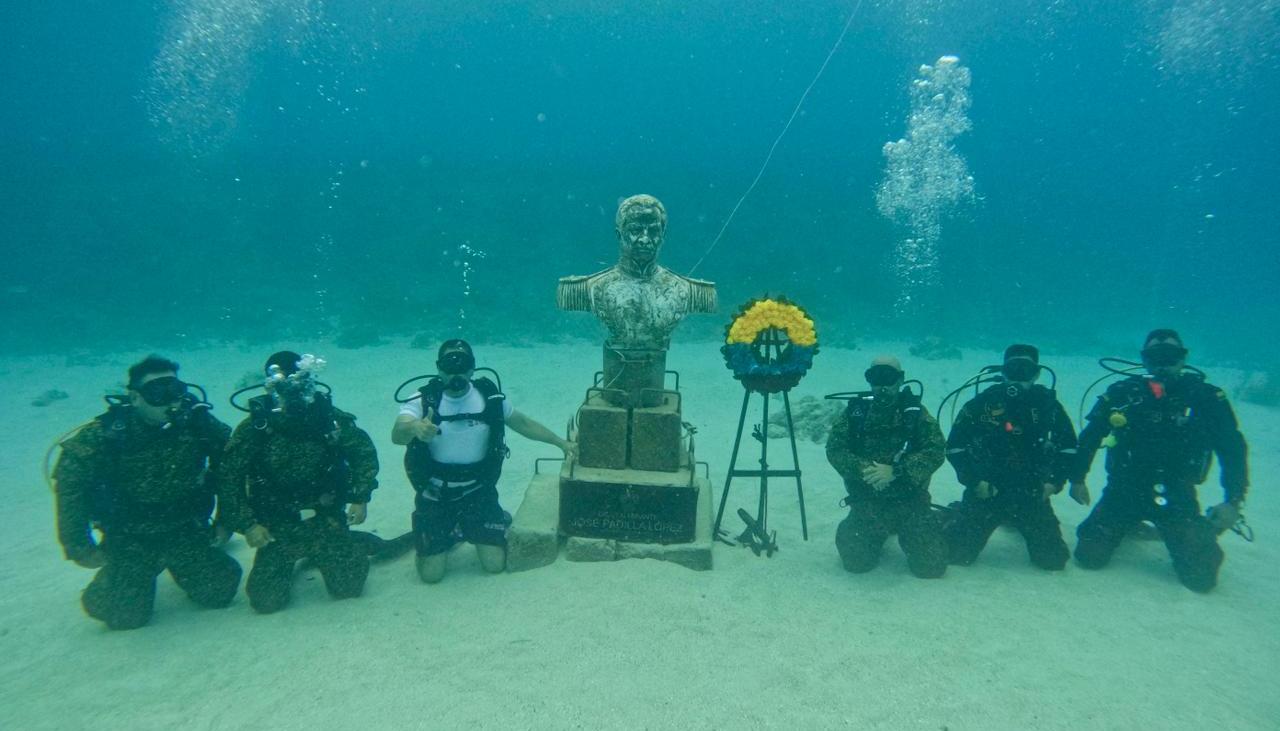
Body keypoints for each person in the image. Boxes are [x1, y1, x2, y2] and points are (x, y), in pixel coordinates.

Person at [51, 355, 240, 630]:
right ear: (135, 398)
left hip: (184, 528)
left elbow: (232, 462)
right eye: (157, 392)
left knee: (220, 590)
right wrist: (77, 543)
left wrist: (226, 520)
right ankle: (122, 575)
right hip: (129, 536)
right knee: (123, 616)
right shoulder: (109, 433)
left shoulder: (197, 423)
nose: (170, 401)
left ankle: (176, 562)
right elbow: (70, 479)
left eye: (175, 391)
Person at [1071, 330, 1248, 593]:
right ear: (1144, 360)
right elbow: (1090, 436)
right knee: (1088, 556)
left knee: (1200, 578)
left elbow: (1231, 448)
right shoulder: (1123, 393)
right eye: (1155, 356)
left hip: (1178, 493)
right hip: (1123, 489)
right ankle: (1129, 523)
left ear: (1183, 358)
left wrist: (1233, 500)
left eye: (1171, 356)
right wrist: (1077, 478)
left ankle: (1199, 528)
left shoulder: (1206, 397)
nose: (1163, 363)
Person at [393, 339, 575, 582]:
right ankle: (448, 534)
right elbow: (397, 433)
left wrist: (560, 443)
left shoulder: (489, 398)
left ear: (472, 369)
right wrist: (415, 428)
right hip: (435, 494)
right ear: (439, 368)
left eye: (463, 364)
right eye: (449, 364)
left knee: (494, 565)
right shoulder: (422, 400)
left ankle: (474, 525)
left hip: (478, 492)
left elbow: (523, 423)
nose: (456, 371)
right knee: (431, 575)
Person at [218, 352, 381, 613]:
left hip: (325, 517)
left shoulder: (331, 420)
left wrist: (360, 498)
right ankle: (325, 546)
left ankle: (348, 541)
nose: (292, 395)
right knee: (266, 602)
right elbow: (229, 477)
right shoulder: (255, 428)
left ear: (309, 383)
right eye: (283, 388)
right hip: (276, 527)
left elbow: (363, 453)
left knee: (349, 588)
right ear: (271, 387)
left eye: (300, 385)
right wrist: (248, 524)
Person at [944, 344, 1086, 571]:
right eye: (1013, 370)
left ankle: (1013, 519)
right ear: (1003, 372)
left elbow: (1068, 447)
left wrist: (1054, 483)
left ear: (1036, 374)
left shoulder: (1049, 406)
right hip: (987, 491)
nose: (1018, 377)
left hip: (1031, 494)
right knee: (956, 554)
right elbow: (954, 447)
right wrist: (973, 481)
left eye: (1025, 370)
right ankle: (957, 513)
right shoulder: (982, 404)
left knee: (1053, 560)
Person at [825, 356, 948, 578]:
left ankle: (934, 520)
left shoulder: (916, 413)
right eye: (875, 378)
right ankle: (876, 531)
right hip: (867, 502)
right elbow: (835, 449)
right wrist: (866, 469)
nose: (882, 385)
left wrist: (897, 471)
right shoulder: (856, 413)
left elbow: (936, 450)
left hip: (911, 503)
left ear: (900, 380)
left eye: (888, 378)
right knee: (855, 563)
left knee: (931, 568)